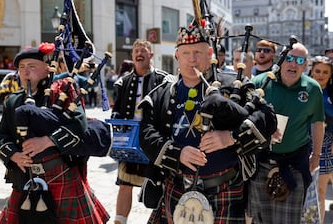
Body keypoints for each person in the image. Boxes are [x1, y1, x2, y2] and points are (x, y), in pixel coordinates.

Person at [138, 23, 277, 223]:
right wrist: (178, 153)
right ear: (177, 55)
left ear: (210, 53)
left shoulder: (232, 86)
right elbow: (146, 134)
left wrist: (230, 137)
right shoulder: (162, 93)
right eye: (186, 52)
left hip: (225, 188)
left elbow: (268, 118)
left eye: (198, 52)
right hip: (176, 186)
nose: (192, 58)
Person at [0, 46, 109, 224]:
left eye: (32, 66)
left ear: (48, 69)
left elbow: (79, 123)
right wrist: (13, 155)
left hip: (60, 173)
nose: (26, 71)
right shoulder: (13, 100)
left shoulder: (62, 92)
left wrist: (48, 141)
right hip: (26, 178)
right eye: (21, 67)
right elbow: (2, 135)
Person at [248, 42, 325, 223]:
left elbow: (318, 123)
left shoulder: (313, 89)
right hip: (261, 161)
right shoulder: (260, 83)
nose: (293, 64)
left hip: (295, 163)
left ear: (305, 65)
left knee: (290, 220)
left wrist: (316, 156)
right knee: (261, 219)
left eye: (299, 60)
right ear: (280, 60)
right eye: (289, 58)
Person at [111, 39, 168, 224]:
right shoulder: (124, 81)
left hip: (154, 141)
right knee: (125, 183)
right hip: (129, 141)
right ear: (132, 56)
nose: (139, 53)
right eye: (136, 50)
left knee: (160, 185)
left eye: (143, 50)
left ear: (151, 55)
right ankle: (120, 221)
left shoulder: (163, 79)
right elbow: (116, 110)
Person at [309, 55, 333, 222]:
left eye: (325, 72)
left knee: (322, 190)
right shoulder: (304, 90)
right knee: (316, 191)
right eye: (317, 71)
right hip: (306, 144)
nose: (321, 75)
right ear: (311, 71)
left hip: (330, 143)